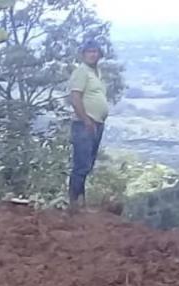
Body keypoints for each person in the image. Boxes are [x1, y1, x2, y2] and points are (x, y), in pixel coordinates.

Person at [69, 40, 109, 210]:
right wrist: (86, 120)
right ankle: (73, 202)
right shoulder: (81, 72)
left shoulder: (96, 73)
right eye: (89, 51)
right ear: (83, 54)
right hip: (84, 124)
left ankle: (80, 202)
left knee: (88, 164)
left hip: (96, 124)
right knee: (81, 164)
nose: (93, 54)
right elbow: (75, 97)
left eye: (95, 51)